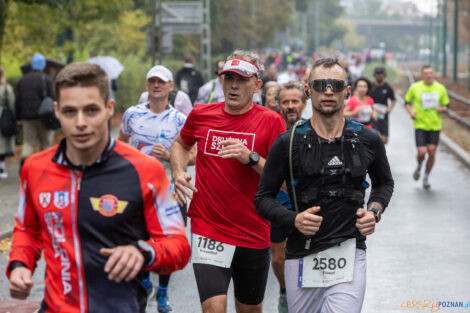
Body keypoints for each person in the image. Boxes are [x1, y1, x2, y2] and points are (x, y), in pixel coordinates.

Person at [7, 62, 190, 313]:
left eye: (91, 110)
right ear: (58, 111)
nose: (80, 122)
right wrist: (19, 264)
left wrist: (144, 252)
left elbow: (178, 246)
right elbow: (27, 229)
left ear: (109, 109)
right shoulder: (35, 168)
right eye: (70, 112)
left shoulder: (146, 170)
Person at [255, 58, 394, 313]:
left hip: (350, 250)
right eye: (320, 84)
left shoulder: (367, 139)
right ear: (309, 90)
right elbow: (263, 199)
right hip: (300, 254)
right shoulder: (288, 143)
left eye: (336, 85)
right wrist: (293, 219)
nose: (328, 90)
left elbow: (384, 183)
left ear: (347, 92)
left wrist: (374, 211)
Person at [170, 50, 286, 313]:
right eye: (228, 78)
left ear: (257, 85)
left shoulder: (271, 122)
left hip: (253, 231)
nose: (234, 85)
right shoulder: (201, 114)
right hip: (208, 227)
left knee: (249, 310)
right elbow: (180, 143)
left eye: (242, 80)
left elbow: (285, 183)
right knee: (214, 309)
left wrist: (252, 159)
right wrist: (178, 172)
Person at [119, 64, 195, 313]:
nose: (156, 85)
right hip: (136, 189)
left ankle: (162, 292)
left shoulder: (180, 120)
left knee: (167, 244)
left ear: (171, 87)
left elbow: (193, 155)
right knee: (136, 238)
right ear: (147, 85)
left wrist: (171, 156)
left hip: (170, 191)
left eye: (162, 81)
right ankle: (144, 282)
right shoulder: (132, 114)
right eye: (152, 81)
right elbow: (119, 145)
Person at [270, 81, 307, 313]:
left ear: (304, 103)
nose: (290, 106)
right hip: (279, 203)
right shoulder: (271, 128)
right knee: (278, 259)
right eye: (286, 102)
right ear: (278, 105)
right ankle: (285, 290)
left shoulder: (313, 128)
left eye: (295, 101)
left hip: (307, 203)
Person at [405, 65, 449, 190]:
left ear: (433, 74)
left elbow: (446, 105)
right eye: (426, 73)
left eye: (431, 73)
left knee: (431, 152)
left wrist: (442, 108)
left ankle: (426, 177)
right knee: (422, 152)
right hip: (420, 124)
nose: (429, 75)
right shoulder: (415, 87)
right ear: (422, 74)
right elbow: (407, 103)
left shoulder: (440, 88)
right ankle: (419, 165)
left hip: (435, 125)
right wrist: (411, 112)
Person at [15, 53, 55, 167]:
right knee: (46, 143)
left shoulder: (23, 80)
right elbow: (52, 98)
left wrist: (18, 117)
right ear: (43, 65)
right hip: (44, 116)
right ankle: (45, 166)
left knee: (28, 142)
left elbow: (18, 100)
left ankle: (25, 164)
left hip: (27, 117)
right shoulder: (46, 79)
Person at [370, 67, 396, 144]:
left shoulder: (387, 87)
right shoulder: (371, 86)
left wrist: (390, 108)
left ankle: (379, 152)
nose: (380, 76)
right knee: (375, 136)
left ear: (384, 75)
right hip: (373, 114)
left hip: (384, 115)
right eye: (378, 74)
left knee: (384, 140)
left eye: (381, 74)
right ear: (375, 75)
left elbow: (393, 100)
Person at [0, 66, 16, 179]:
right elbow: (12, 104)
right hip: (3, 116)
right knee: (2, 145)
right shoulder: (6, 88)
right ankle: (1, 169)